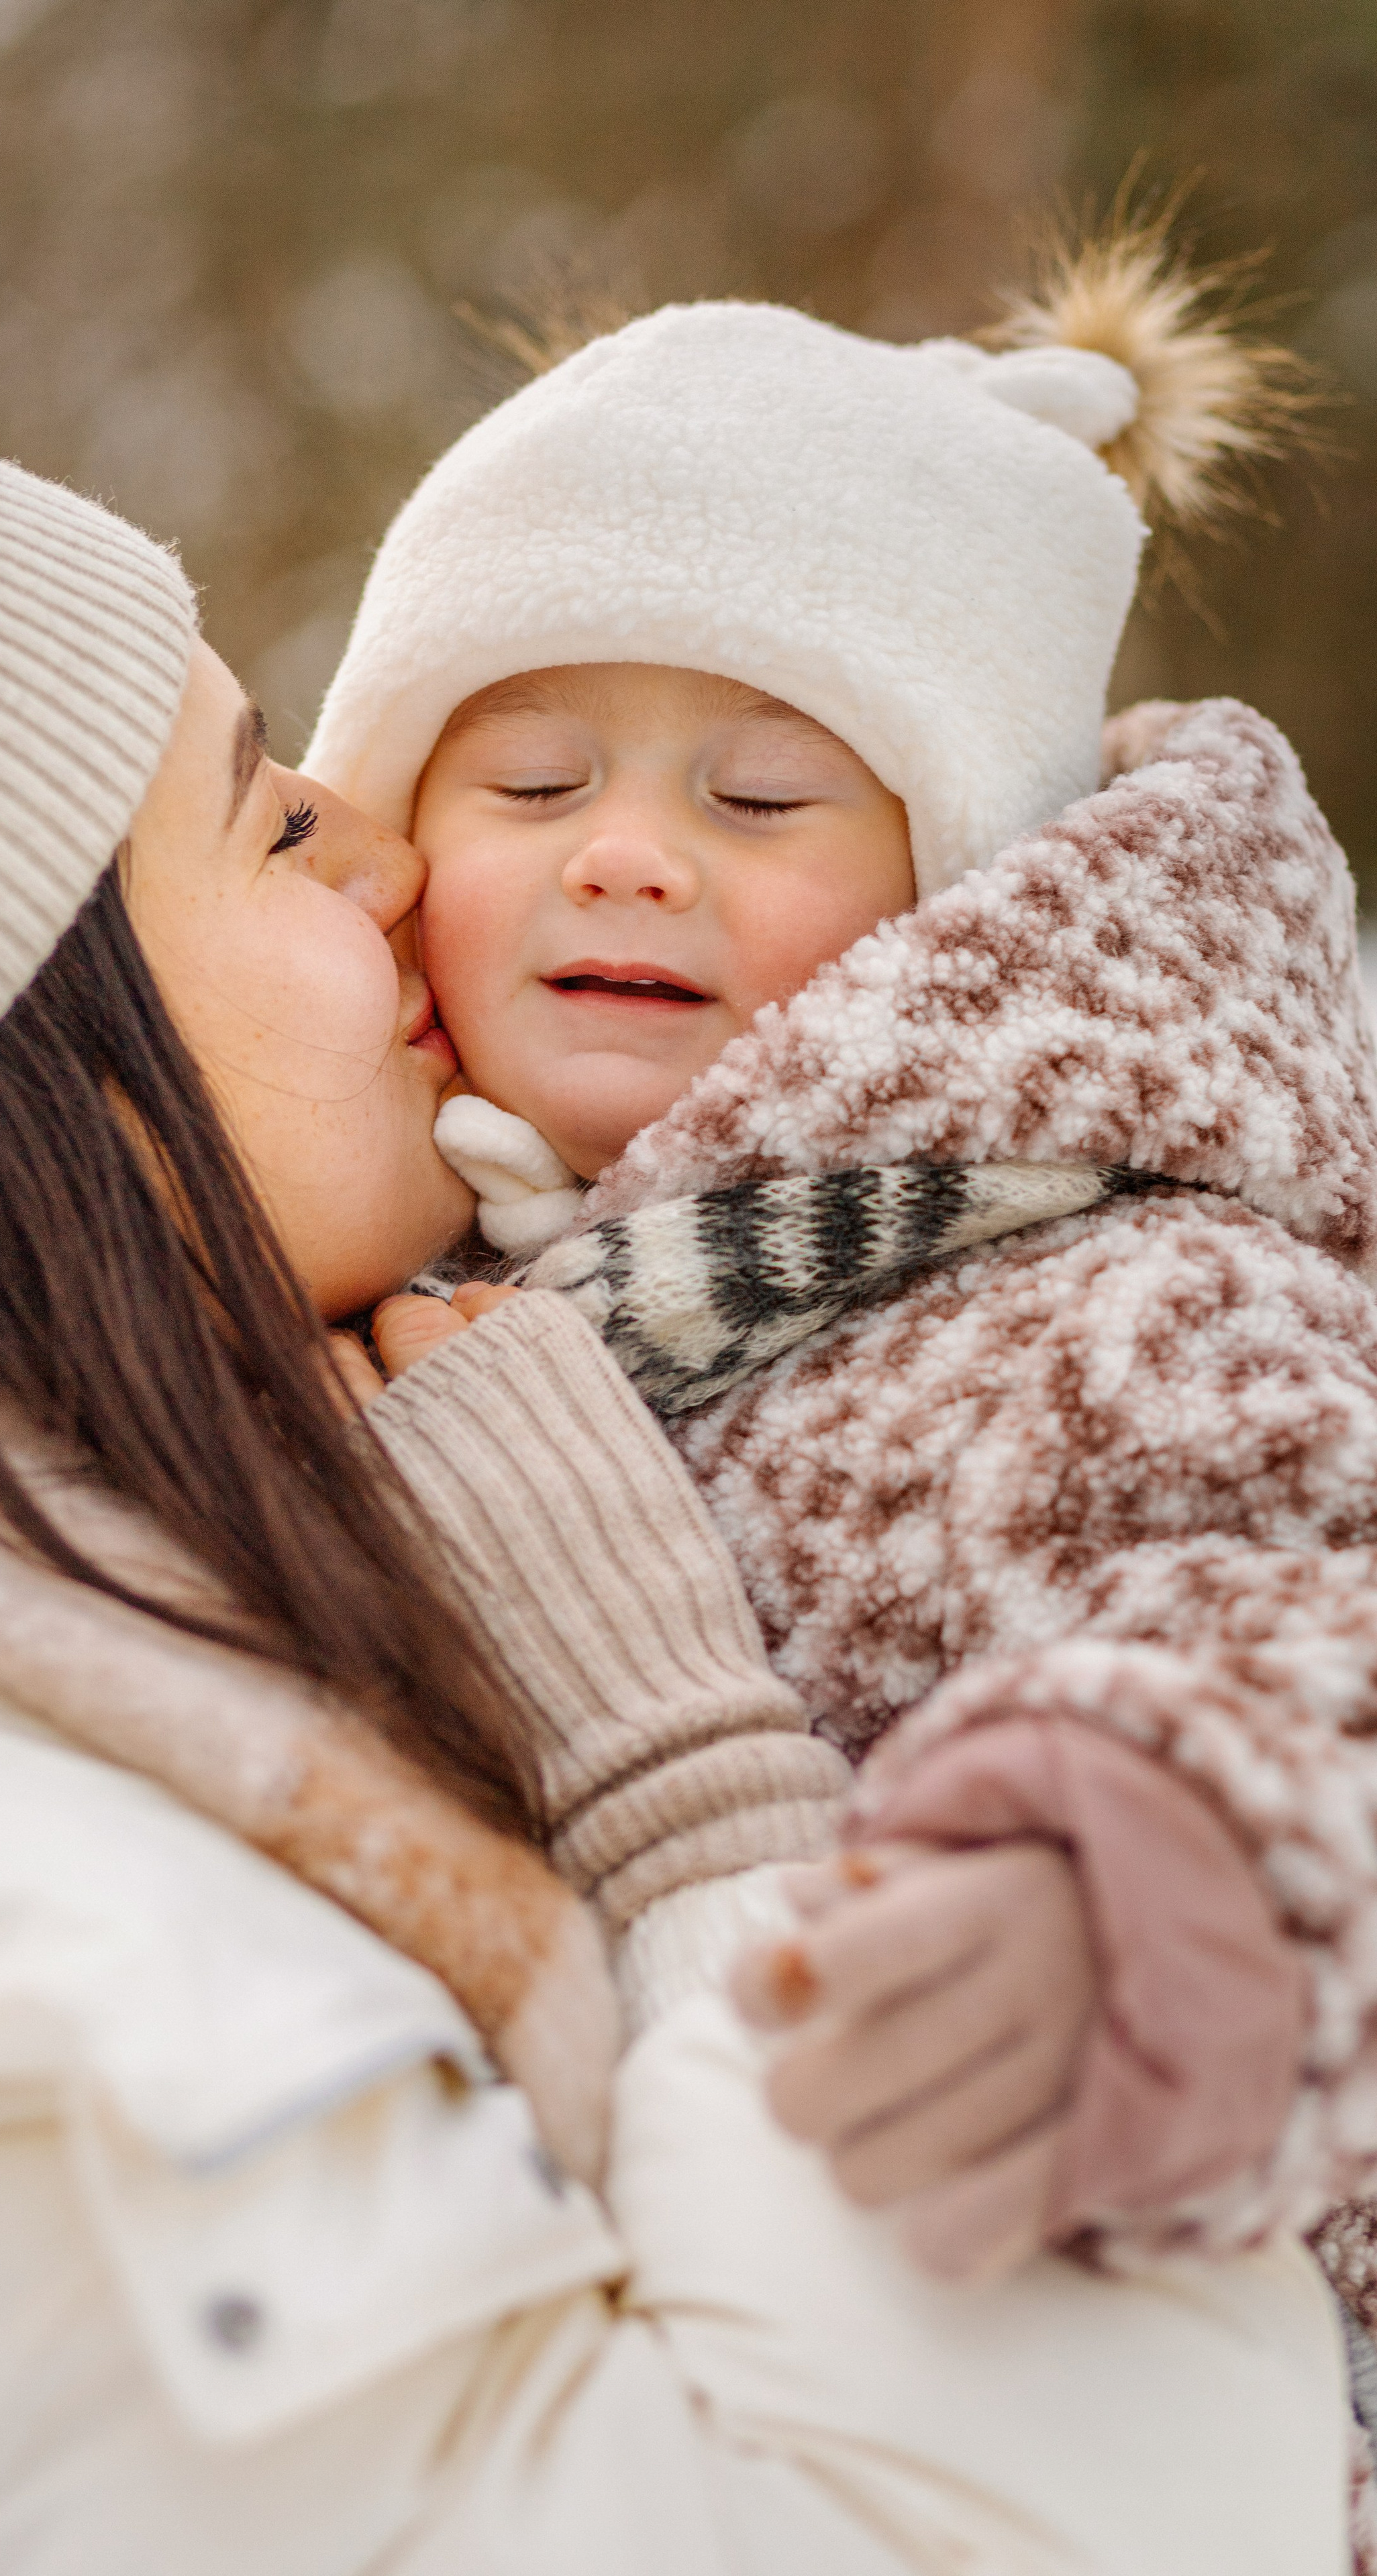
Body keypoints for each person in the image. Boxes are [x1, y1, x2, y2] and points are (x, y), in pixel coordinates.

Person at [0, 392, 1352, 2576]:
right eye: (276, 823)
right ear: (15, 1043)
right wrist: (685, 1783)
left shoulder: (75, 1561)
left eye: (762, 794)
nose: (387, 861)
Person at [303, 211, 1377, 2319]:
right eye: (533, 779)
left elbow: (1313, 1622)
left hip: (1142, 2322)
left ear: (953, 894)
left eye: (765, 794)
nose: (630, 851)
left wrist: (1147, 1890)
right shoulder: (395, 1235)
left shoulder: (1107, 1286)